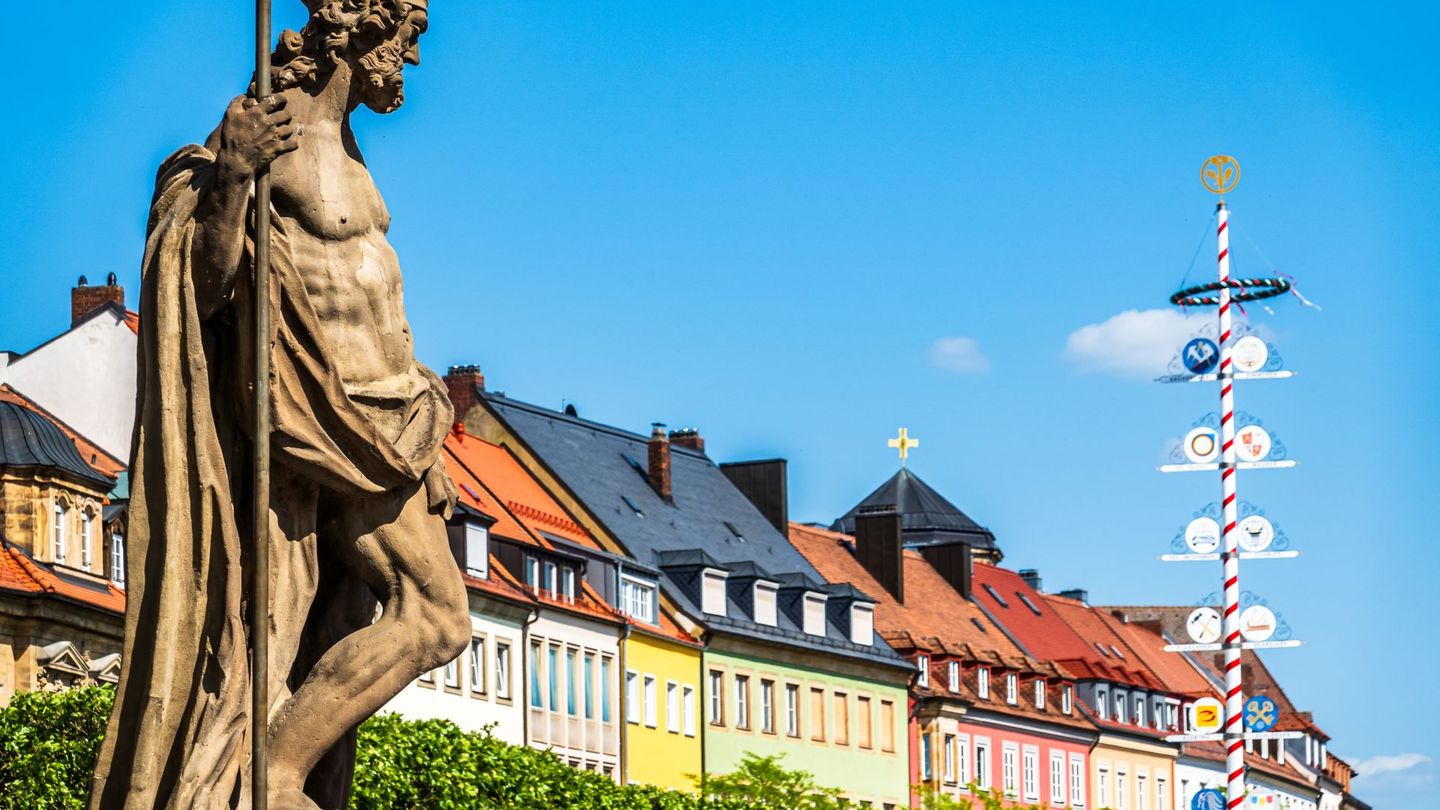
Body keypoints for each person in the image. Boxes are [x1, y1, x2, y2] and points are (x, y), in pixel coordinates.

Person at [91, 3, 468, 808]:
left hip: (399, 423)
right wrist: (230, 179)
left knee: (342, 625)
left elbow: (373, 298)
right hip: (329, 424)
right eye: (405, 39)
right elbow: (201, 289)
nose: (410, 59)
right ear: (356, 32)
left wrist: (429, 436)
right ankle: (276, 769)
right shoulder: (260, 139)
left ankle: (278, 764)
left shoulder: (349, 149)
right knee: (434, 619)